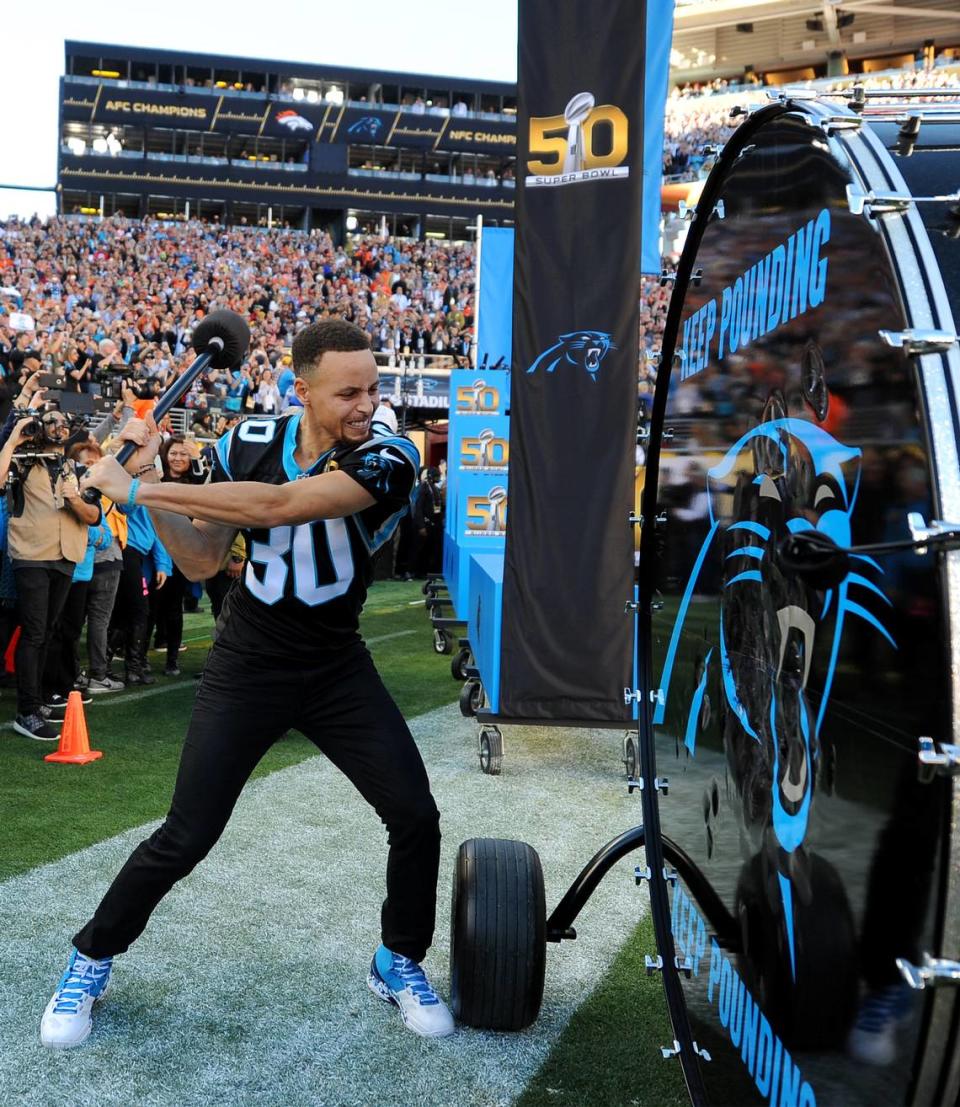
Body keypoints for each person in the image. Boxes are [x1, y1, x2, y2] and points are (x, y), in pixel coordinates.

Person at [41, 319, 452, 1049]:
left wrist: (137, 486)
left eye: (374, 387)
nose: (368, 403)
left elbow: (280, 507)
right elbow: (201, 562)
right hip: (247, 660)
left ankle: (398, 957)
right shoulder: (249, 440)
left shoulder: (389, 454)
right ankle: (90, 956)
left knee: (415, 813)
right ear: (303, 390)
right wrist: (159, 488)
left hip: (334, 663)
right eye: (348, 391)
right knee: (186, 834)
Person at [0, 403, 101, 739]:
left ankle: (38, 698)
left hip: (66, 555)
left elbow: (93, 516)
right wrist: (14, 440)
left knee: (49, 629)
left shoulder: (76, 468)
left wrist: (74, 500)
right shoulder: (21, 462)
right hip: (31, 553)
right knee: (34, 631)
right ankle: (26, 712)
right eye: (50, 422)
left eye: (62, 422)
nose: (58, 427)